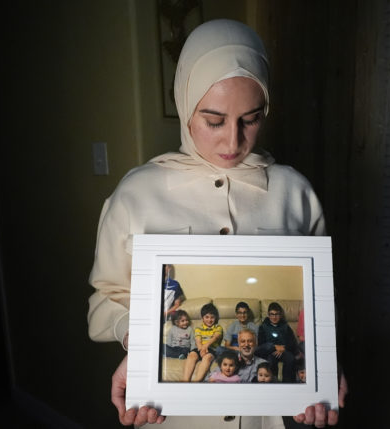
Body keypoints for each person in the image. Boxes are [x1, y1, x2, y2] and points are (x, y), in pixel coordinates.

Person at [86, 18, 345, 428]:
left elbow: (316, 305)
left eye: (251, 118)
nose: (232, 141)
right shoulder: (136, 194)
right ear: (185, 103)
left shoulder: (295, 192)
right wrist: (139, 345)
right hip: (172, 415)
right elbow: (107, 297)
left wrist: (322, 369)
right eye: (213, 120)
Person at [256, 302, 300, 382]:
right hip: (270, 352)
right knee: (270, 361)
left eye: (277, 314)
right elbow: (261, 344)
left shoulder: (285, 326)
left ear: (280, 315)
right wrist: (274, 347)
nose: (274, 317)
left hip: (284, 350)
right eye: (272, 314)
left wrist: (283, 347)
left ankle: (287, 384)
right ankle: (273, 383)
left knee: (290, 359)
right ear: (268, 315)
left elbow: (292, 341)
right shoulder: (263, 326)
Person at [182, 303, 222, 382]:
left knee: (207, 357)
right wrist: (201, 349)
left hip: (211, 349)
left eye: (212, 317)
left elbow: (215, 337)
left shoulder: (218, 327)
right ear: (202, 318)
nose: (209, 320)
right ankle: (185, 381)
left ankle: (196, 382)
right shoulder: (198, 328)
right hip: (200, 348)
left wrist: (205, 346)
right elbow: (198, 340)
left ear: (215, 318)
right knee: (191, 355)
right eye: (207, 317)